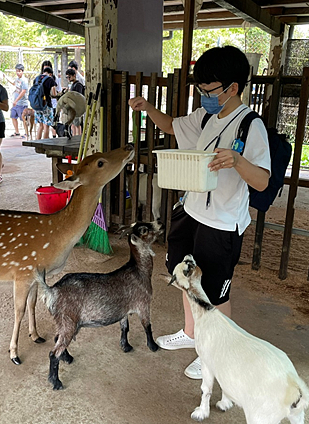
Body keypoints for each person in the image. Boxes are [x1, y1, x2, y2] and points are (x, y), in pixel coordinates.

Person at [128, 46, 271, 380]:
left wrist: (237, 160)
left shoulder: (251, 127)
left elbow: (262, 182)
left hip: (221, 223)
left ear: (233, 87)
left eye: (209, 90)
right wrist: (148, 107)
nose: (204, 96)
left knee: (215, 293)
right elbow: (171, 126)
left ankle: (215, 355)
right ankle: (192, 334)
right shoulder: (206, 116)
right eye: (201, 90)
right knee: (184, 279)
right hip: (190, 212)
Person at [8, 63, 35, 140]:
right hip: (15, 103)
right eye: (16, 71)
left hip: (22, 103)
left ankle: (27, 133)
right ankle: (17, 132)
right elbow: (13, 83)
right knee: (13, 116)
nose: (18, 72)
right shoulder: (17, 79)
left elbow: (23, 91)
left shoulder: (24, 80)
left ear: (22, 71)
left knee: (24, 119)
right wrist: (6, 77)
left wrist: (16, 100)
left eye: (19, 71)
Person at [34, 66, 58, 140]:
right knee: (46, 125)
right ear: (50, 74)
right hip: (46, 105)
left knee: (40, 125)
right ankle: (45, 143)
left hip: (37, 104)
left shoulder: (36, 78)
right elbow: (54, 93)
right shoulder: (50, 79)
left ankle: (37, 142)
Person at [65, 68, 85, 136]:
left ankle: (78, 137)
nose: (68, 78)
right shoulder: (73, 85)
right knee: (73, 125)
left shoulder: (78, 85)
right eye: (67, 77)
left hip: (77, 108)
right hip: (73, 107)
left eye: (69, 77)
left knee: (77, 125)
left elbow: (79, 97)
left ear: (74, 75)